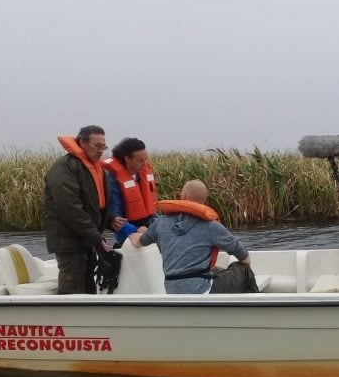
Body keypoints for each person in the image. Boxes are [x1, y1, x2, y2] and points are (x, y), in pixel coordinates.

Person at [128, 180, 259, 294]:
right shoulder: (210, 226)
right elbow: (241, 253)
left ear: (182, 196)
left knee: (216, 270)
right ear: (204, 201)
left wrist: (137, 238)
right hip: (201, 291)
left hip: (171, 290)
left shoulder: (160, 223)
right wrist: (245, 266)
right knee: (244, 270)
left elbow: (141, 241)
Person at [44, 125, 123, 294]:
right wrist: (96, 237)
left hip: (86, 240)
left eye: (104, 146)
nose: (101, 150)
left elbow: (94, 204)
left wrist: (110, 219)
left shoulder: (96, 168)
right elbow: (70, 209)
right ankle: (68, 319)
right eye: (97, 145)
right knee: (72, 287)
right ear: (82, 143)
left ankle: (89, 319)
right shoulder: (64, 169)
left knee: (88, 286)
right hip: (68, 242)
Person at [103, 137, 158, 246]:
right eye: (140, 160)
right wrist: (136, 230)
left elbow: (152, 212)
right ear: (127, 159)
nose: (144, 164)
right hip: (128, 231)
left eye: (145, 159)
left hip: (148, 225)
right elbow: (117, 219)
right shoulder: (113, 180)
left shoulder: (142, 175)